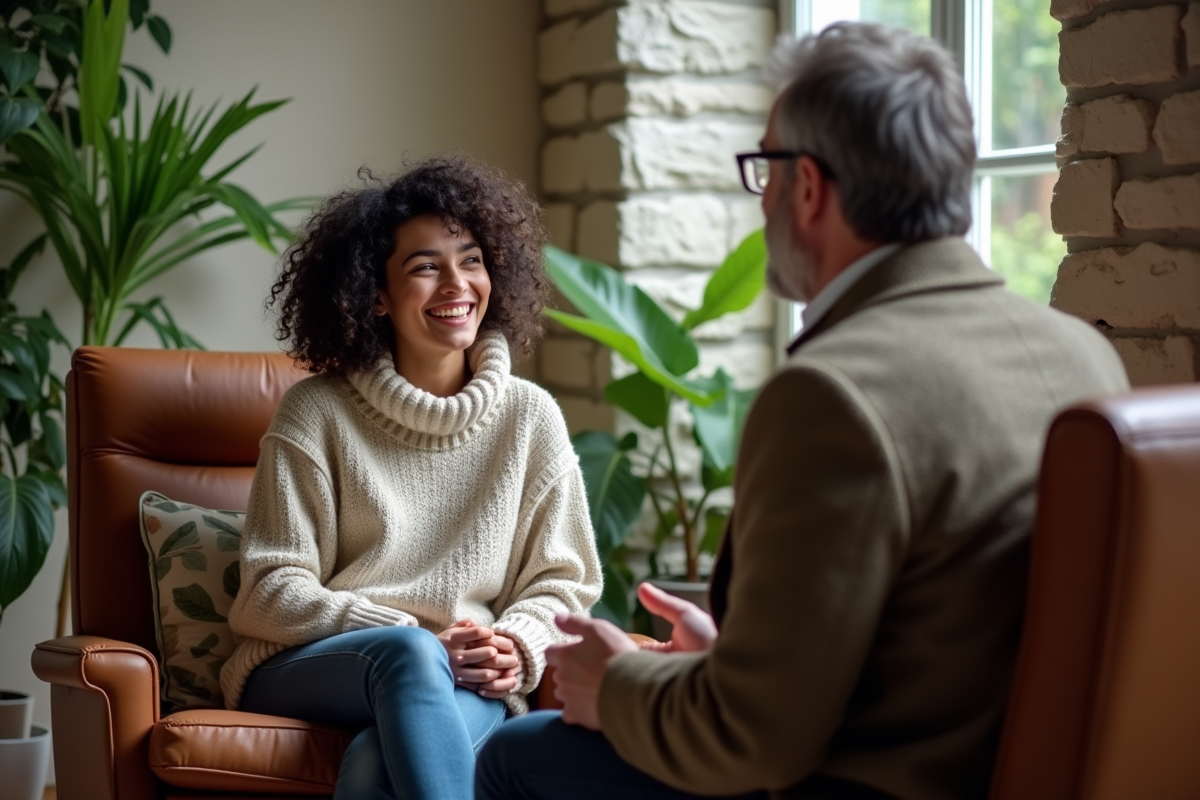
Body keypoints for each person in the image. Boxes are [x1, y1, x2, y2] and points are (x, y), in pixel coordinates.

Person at [475, 22, 1129, 800]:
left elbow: (751, 742)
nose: (763, 203)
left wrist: (614, 686)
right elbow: (946, 635)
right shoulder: (1084, 355)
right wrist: (730, 662)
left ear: (810, 188)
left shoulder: (832, 392)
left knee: (515, 754)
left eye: (766, 171)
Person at [220, 156, 602, 800]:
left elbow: (565, 583)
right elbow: (270, 589)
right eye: (426, 266)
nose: (458, 283)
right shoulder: (318, 411)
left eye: (472, 259)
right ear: (375, 292)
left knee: (375, 763)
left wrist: (516, 642)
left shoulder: (531, 417)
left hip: (469, 676)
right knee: (411, 656)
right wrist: (416, 636)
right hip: (318, 664)